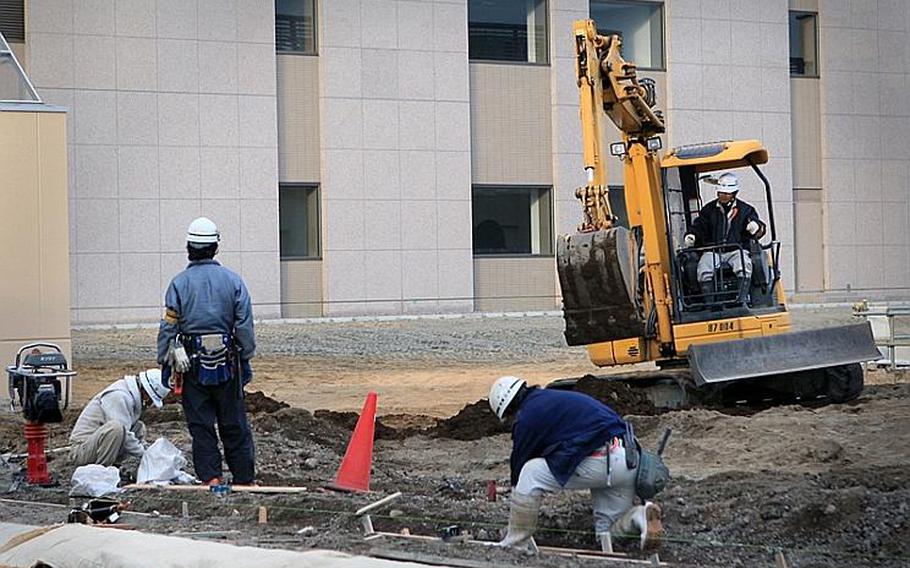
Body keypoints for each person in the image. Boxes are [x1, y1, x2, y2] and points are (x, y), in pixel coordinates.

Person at [488, 376, 663, 553]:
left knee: (530, 473)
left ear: (509, 409)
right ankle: (639, 517)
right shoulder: (552, 400)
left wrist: (517, 497)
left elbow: (520, 462)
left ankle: (514, 544)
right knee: (607, 532)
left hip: (602, 460)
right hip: (627, 459)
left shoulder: (528, 416)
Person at [156, 217, 257, 486]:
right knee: (234, 422)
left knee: (201, 425)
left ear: (189, 247)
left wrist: (164, 362)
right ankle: (244, 478)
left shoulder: (179, 284)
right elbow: (244, 325)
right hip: (228, 362)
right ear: (215, 247)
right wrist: (245, 356)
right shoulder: (234, 281)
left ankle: (211, 477)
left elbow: (168, 327)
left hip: (191, 364)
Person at [683, 172, 765, 304]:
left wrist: (755, 226)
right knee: (703, 268)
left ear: (734, 193)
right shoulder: (709, 210)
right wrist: (692, 235)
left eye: (726, 193)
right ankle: (710, 304)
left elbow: (758, 226)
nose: (723, 196)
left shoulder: (746, 210)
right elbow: (699, 225)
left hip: (736, 250)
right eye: (721, 192)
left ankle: (740, 301)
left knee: (744, 265)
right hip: (713, 250)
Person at [69, 369, 170, 468]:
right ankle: (101, 471)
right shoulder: (118, 396)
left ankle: (116, 464)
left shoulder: (128, 395)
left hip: (96, 445)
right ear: (145, 393)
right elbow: (125, 434)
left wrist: (148, 450)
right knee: (116, 428)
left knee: (138, 426)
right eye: (150, 400)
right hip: (81, 451)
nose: (149, 404)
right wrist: (144, 455)